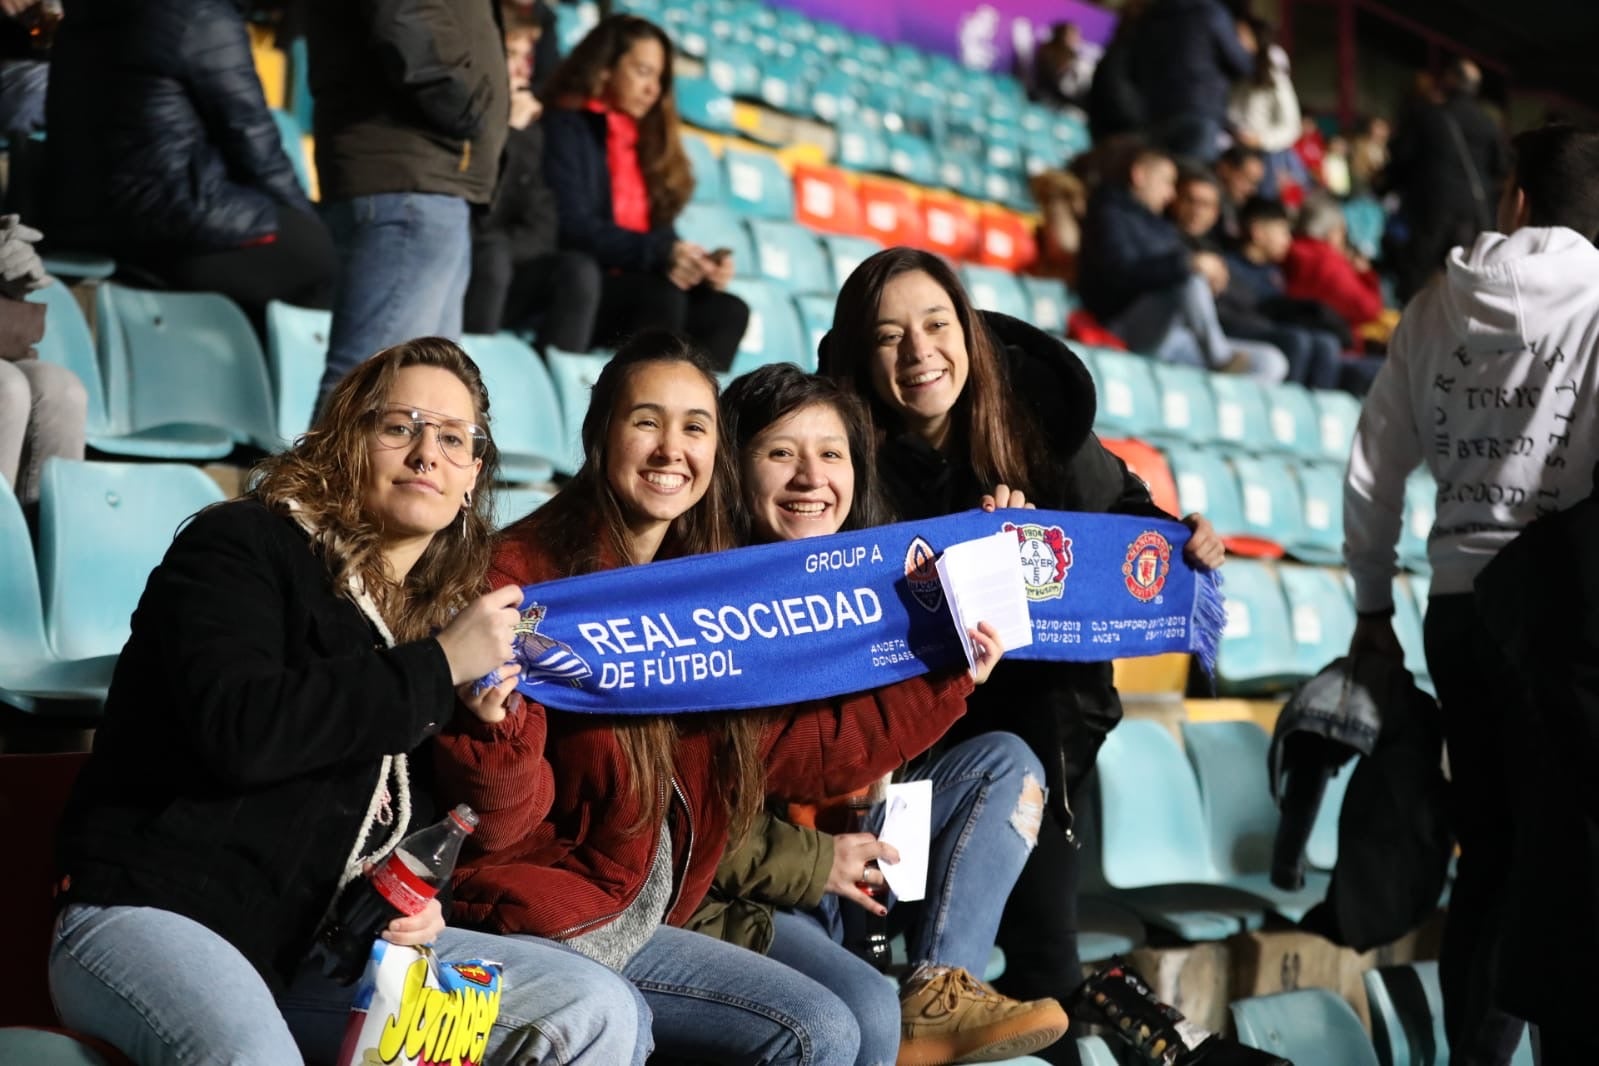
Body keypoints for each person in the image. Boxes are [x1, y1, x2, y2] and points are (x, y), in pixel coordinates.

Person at [48, 338, 647, 1065]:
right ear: (345, 441)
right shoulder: (240, 546)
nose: (427, 453)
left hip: (317, 949)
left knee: (596, 1009)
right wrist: (435, 669)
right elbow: (244, 730)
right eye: (400, 426)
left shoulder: (435, 618)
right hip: (156, 913)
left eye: (454, 439)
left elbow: (455, 830)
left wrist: (430, 906)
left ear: (473, 477)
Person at [435, 331, 1001, 1066]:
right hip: (557, 908)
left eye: (694, 428)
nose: (671, 449)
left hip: (650, 901)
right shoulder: (522, 581)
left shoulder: (712, 585)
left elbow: (801, 758)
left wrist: (951, 668)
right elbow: (498, 827)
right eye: (646, 421)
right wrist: (493, 727)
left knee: (863, 1012)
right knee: (819, 1029)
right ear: (597, 432)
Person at [820, 247, 1226, 1066]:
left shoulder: (1039, 427)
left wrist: (1187, 544)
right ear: (861, 358)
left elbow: (1127, 521)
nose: (918, 353)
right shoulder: (841, 456)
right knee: (872, 983)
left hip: (1030, 741)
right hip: (892, 759)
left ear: (968, 331)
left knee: (1048, 972)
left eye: (936, 326)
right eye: (889, 337)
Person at [709, 364, 1069, 1066]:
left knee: (1008, 766)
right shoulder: (709, 598)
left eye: (831, 454)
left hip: (863, 851)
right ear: (732, 467)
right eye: (781, 453)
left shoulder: (878, 576)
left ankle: (939, 990)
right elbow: (724, 804)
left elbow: (880, 741)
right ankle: (905, 1014)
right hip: (769, 889)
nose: (811, 477)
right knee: (859, 1007)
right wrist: (818, 861)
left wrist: (990, 545)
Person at [1343, 123, 1599, 1065]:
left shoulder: (1430, 308)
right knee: (1567, 857)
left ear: (1517, 198)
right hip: (1561, 614)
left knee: (1487, 858)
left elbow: (1373, 470)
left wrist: (1373, 606)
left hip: (1456, 608)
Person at [43, 0, 334, 326]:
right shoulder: (199, 15)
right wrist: (308, 222)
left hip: (86, 223)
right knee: (337, 259)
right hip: (177, 229)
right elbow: (253, 140)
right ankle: (302, 376)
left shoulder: (84, 15)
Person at [308, 0, 507, 403]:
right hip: (411, 180)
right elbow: (405, 19)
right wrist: (471, 103)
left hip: (434, 178)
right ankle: (322, 472)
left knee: (413, 397)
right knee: (368, 390)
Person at [541, 15, 749, 371]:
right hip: (585, 285)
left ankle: (705, 417)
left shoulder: (648, 141)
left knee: (728, 311)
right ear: (605, 68)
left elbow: (659, 233)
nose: (654, 89)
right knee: (663, 295)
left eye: (659, 78)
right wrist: (659, 253)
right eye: (642, 72)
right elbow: (570, 225)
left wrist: (698, 265)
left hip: (640, 282)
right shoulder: (565, 127)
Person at [1078, 145, 1287, 382]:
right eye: (1167, 182)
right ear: (1140, 175)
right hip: (1125, 324)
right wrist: (1189, 264)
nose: (1170, 194)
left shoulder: (1160, 225)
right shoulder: (1109, 213)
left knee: (1271, 362)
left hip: (1176, 337)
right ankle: (1218, 360)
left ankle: (1215, 403)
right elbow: (1119, 272)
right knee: (1189, 279)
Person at [462, 5, 602, 349]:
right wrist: (504, 133)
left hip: (503, 270)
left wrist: (514, 133)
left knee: (577, 271)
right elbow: (471, 218)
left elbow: (543, 228)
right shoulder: (458, 118)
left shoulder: (530, 130)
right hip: (461, 266)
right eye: (510, 55)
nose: (522, 71)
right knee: (491, 254)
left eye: (526, 58)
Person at [1170, 172, 1341, 390]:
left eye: (1209, 206)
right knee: (1296, 341)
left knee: (1325, 344)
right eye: (1282, 232)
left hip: (1249, 327)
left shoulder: (1268, 271)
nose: (1287, 241)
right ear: (1258, 232)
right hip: (1215, 330)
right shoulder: (1219, 261)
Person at [1387, 59, 1508, 302]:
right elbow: (1501, 166)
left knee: (1416, 277)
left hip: (1429, 209)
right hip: (1473, 214)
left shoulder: (1427, 115)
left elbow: (1401, 156)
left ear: (1451, 80)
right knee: (1467, 280)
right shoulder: (1487, 123)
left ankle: (1408, 331)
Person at [1132, 0, 1256, 162]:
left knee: (1164, 177)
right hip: (1199, 110)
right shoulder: (1211, 13)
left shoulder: (1152, 15)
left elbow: (1137, 64)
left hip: (1156, 110)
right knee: (1194, 176)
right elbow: (1241, 64)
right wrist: (1247, 47)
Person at [1226, 18, 1307, 203]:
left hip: (1264, 155)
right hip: (1233, 150)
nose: (1232, 40)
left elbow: (1291, 126)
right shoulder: (1233, 75)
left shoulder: (1273, 77)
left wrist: (1260, 140)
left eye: (1240, 35)